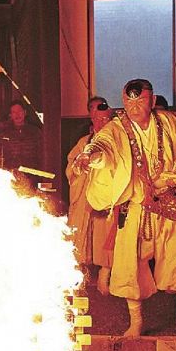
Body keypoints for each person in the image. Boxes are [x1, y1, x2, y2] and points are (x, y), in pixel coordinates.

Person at [72, 79, 176, 341]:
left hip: (167, 200)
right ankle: (136, 323)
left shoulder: (172, 122)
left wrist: (173, 173)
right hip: (135, 205)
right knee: (130, 263)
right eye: (129, 101)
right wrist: (90, 156)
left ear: (152, 101)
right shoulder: (116, 128)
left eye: (140, 101)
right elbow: (102, 146)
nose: (134, 107)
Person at [65, 97, 113, 294]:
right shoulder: (83, 141)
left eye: (104, 117)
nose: (100, 119)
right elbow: (71, 165)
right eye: (95, 113)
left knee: (105, 235)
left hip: (106, 195)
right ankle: (80, 278)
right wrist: (79, 168)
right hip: (84, 193)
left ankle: (105, 275)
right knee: (80, 233)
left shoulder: (115, 139)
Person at [0, 100, 42, 171]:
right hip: (12, 172)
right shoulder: (4, 134)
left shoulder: (35, 131)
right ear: (10, 115)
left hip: (33, 172)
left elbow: (42, 153)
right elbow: (0, 155)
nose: (17, 114)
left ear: (25, 112)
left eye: (19, 111)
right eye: (14, 112)